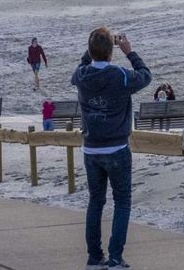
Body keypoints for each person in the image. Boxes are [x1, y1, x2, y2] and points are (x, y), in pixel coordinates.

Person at [72, 28, 152, 270]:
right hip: (116, 147)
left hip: (91, 148)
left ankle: (95, 257)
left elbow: (79, 69)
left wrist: (92, 51)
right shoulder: (119, 76)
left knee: (96, 201)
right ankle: (115, 257)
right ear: (110, 52)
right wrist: (129, 52)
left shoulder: (82, 75)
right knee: (122, 201)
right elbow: (145, 76)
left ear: (90, 51)